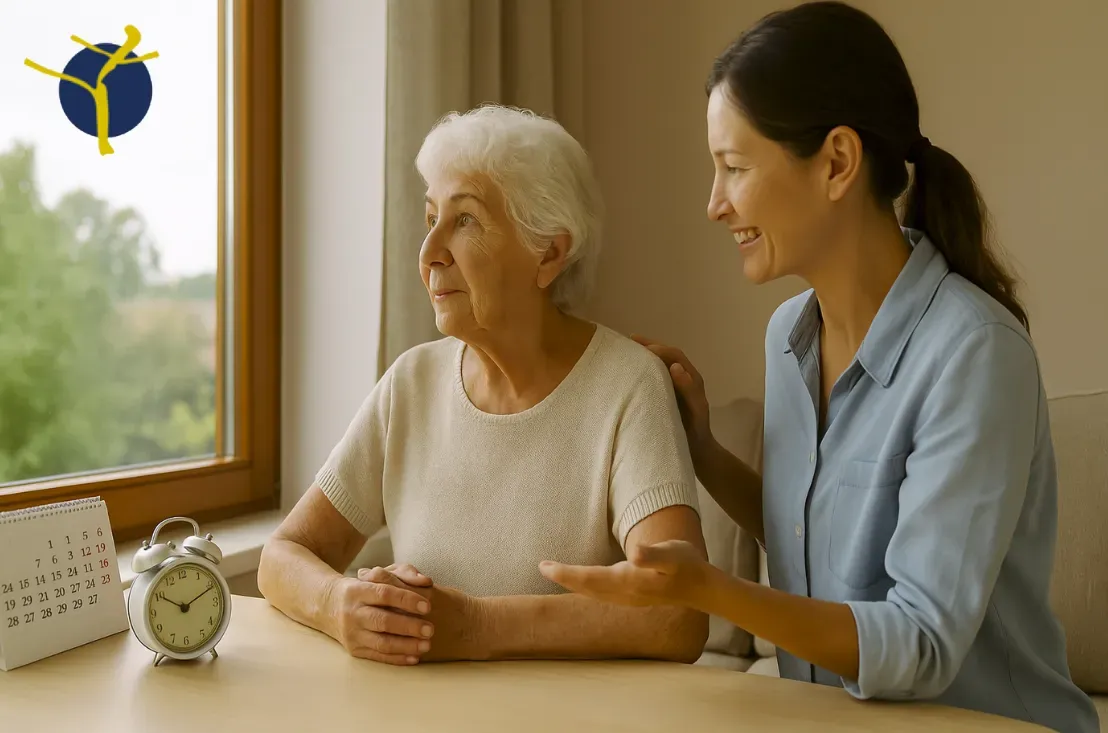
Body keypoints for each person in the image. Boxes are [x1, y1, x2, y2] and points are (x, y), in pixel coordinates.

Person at [539, 3, 1099, 731]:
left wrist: (710, 589)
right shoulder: (788, 337)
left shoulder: (974, 354)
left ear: (837, 162)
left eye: (734, 167)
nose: (714, 204)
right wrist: (704, 450)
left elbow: (921, 643)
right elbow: (813, 537)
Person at [257, 105, 709, 667]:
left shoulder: (627, 385)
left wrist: (477, 625)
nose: (429, 254)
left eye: (465, 220)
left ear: (548, 252)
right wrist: (338, 603)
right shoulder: (410, 383)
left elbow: (680, 612)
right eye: (430, 219)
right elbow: (282, 555)